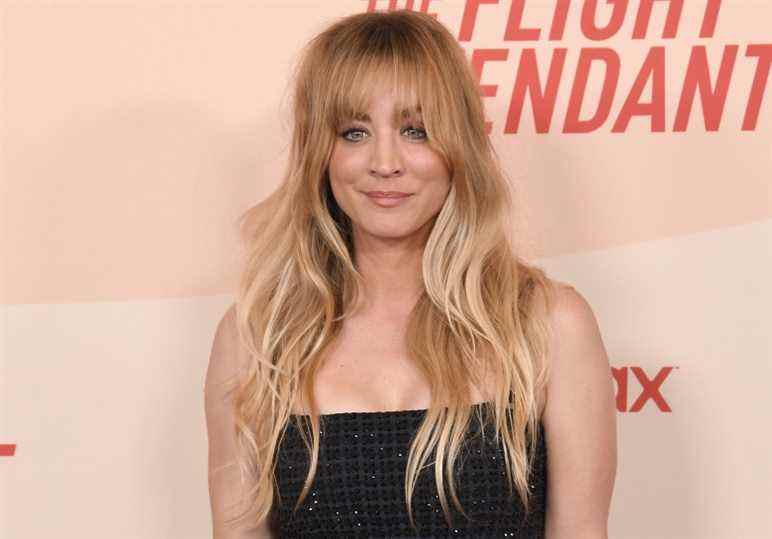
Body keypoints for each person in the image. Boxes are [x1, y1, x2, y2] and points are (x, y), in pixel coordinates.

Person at [205, 9, 617, 538]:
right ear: (319, 153)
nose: (385, 161)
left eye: (415, 130)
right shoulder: (256, 339)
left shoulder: (549, 325)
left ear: (459, 145)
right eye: (354, 132)